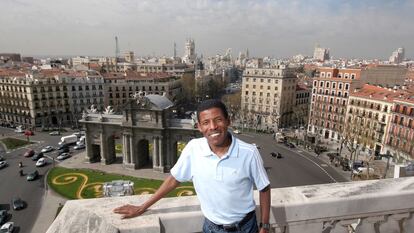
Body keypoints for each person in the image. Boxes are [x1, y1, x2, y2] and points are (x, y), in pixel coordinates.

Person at [114, 99, 271, 233]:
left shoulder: (249, 152)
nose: (213, 127)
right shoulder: (193, 148)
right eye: (206, 122)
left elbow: (264, 187)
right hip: (211, 228)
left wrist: (264, 225)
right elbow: (173, 180)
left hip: (246, 227)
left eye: (218, 120)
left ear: (228, 121)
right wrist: (142, 207)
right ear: (199, 127)